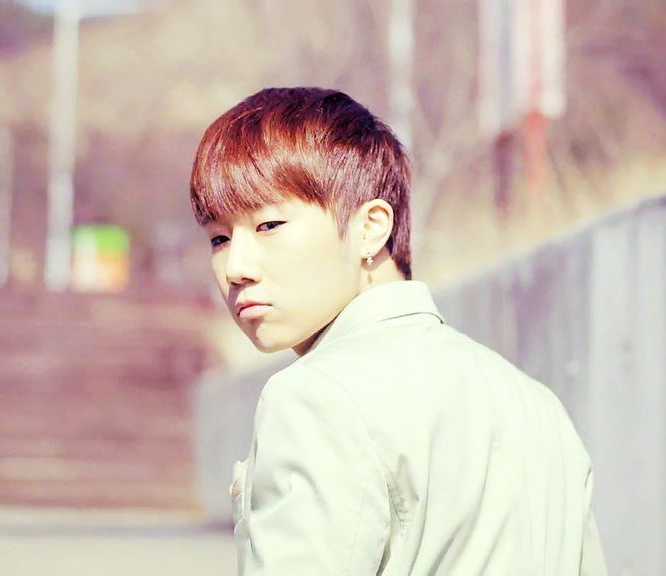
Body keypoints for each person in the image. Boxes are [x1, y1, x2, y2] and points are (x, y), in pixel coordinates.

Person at [189, 87, 606, 575]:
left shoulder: (315, 396)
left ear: (371, 228)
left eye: (269, 225)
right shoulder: (536, 406)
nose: (235, 267)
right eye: (219, 238)